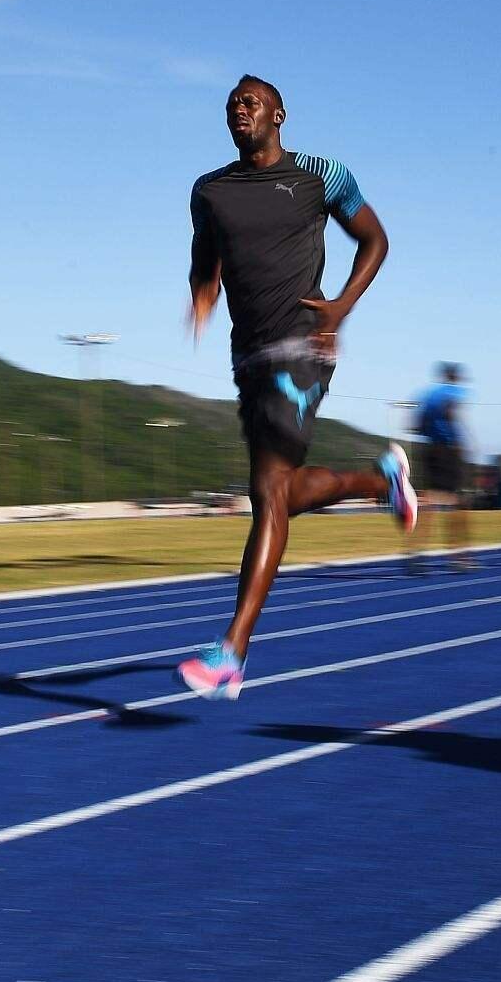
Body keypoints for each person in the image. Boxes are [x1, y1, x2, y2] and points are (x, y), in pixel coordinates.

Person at [176, 75, 417, 700]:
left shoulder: (319, 175)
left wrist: (339, 307)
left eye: (250, 102)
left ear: (279, 114)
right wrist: (202, 297)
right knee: (277, 494)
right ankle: (379, 479)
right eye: (232, 105)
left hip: (302, 348)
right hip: (249, 357)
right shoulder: (210, 190)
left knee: (266, 494)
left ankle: (232, 652)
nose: (239, 110)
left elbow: (375, 238)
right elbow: (208, 258)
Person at [411, 362, 476, 569]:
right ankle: (459, 557)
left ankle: (416, 553)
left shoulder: (428, 394)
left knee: (429, 501)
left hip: (429, 450)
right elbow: (450, 410)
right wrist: (457, 439)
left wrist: (431, 432)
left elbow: (415, 425)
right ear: (455, 377)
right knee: (459, 502)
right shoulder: (454, 392)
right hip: (449, 450)